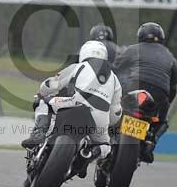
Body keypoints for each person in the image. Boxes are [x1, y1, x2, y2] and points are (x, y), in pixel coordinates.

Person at [20, 41, 122, 175]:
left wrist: (43, 91)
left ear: (84, 53)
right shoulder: (115, 79)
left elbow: (52, 85)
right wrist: (106, 122)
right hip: (100, 117)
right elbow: (116, 113)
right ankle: (86, 156)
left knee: (42, 102)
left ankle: (38, 134)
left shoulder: (78, 66)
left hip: (75, 103)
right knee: (105, 147)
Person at [112, 22, 177, 163]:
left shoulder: (133, 49)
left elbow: (116, 68)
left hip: (134, 86)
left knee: (115, 106)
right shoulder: (170, 57)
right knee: (162, 121)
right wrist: (166, 103)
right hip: (159, 95)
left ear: (140, 36)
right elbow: (173, 87)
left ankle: (108, 133)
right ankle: (150, 141)